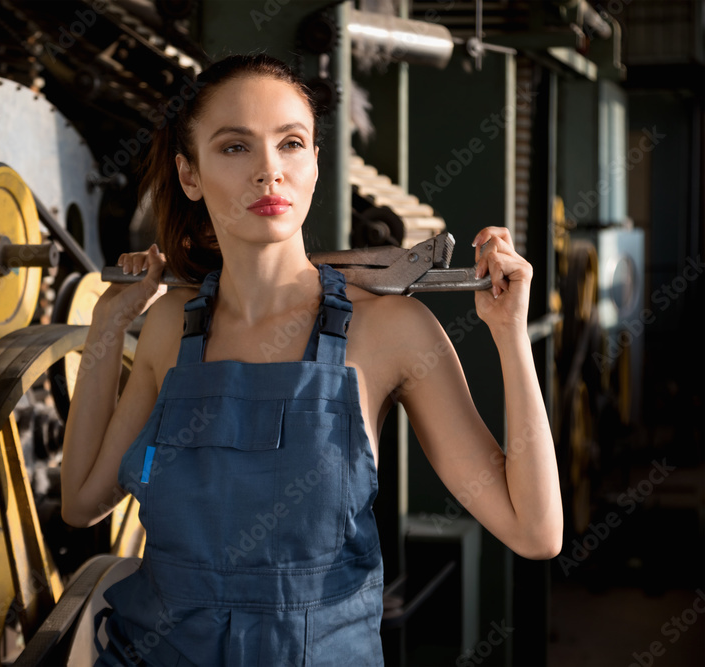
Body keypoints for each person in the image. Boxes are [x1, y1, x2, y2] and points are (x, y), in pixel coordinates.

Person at [60, 54, 562, 666]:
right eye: (235, 148)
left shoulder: (390, 331)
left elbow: (535, 532)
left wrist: (510, 338)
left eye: (291, 143)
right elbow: (83, 501)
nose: (270, 171)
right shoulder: (172, 328)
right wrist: (109, 323)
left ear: (316, 163)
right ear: (189, 174)